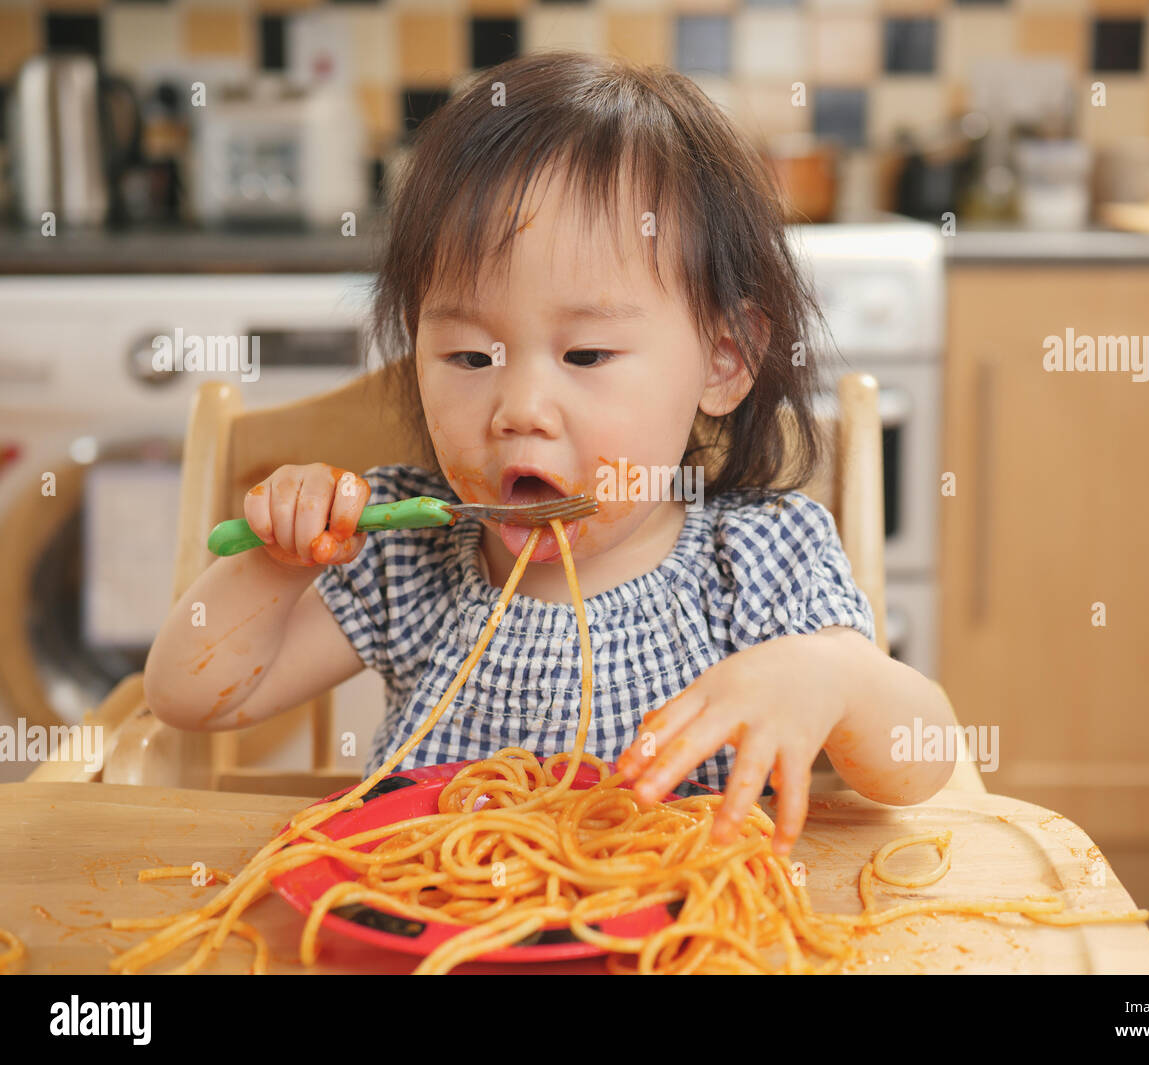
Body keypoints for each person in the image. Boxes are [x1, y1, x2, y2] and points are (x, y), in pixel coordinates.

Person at [144, 51, 958, 857]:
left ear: (723, 360)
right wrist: (283, 563)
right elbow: (191, 697)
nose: (519, 410)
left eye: (586, 356)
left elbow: (920, 767)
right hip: (431, 929)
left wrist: (832, 676)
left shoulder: (752, 560)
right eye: (469, 358)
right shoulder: (408, 553)